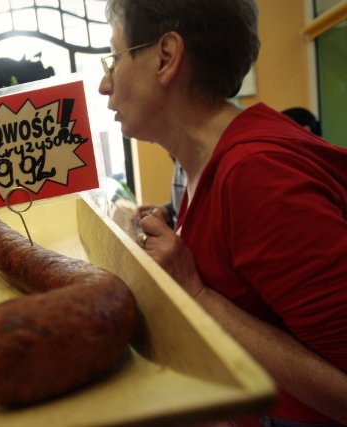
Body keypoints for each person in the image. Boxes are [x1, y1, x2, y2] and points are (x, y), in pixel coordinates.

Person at [99, 1, 347, 426]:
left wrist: (195, 293)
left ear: (166, 57)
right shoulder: (209, 162)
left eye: (115, 57)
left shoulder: (256, 174)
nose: (105, 85)